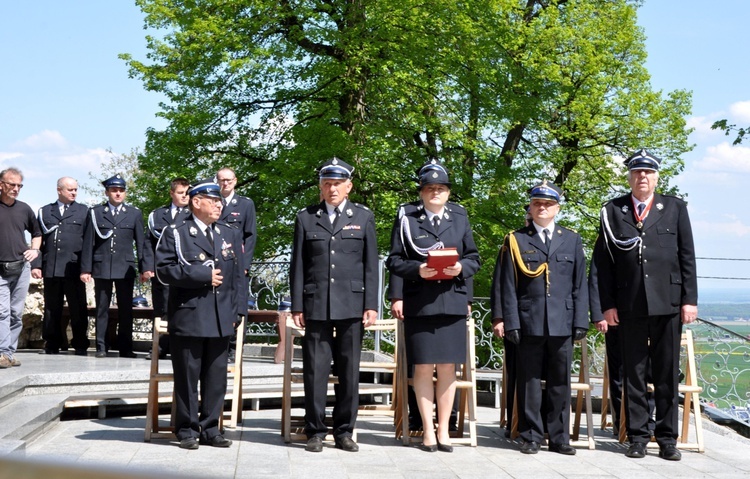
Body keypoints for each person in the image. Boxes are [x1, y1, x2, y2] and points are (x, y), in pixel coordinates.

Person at [592, 148, 698, 461]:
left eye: (648, 172)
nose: (642, 177)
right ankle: (637, 436)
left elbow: (686, 256)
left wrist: (689, 300)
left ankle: (667, 439)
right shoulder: (614, 210)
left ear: (656, 177)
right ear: (629, 176)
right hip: (629, 305)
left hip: (668, 303)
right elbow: (602, 264)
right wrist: (606, 305)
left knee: (666, 373)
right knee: (633, 374)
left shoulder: (675, 208)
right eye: (637, 172)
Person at [387, 160, 480, 453]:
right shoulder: (407, 217)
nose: (435, 192)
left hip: (452, 301)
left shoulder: (460, 217)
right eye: (429, 188)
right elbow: (394, 260)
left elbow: (474, 258)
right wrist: (417, 271)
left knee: (449, 368)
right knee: (424, 368)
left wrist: (460, 268)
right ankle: (427, 430)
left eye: (440, 188)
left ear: (448, 193)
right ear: (422, 193)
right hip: (421, 303)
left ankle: (444, 430)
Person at [290, 157, 378, 453]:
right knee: (314, 370)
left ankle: (344, 431)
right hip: (315, 305)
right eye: (327, 184)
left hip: (352, 305)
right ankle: (315, 430)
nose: (332, 189)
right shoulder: (305, 217)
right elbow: (298, 266)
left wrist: (371, 304)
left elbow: (370, 266)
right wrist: (297, 305)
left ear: (349, 186)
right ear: (320, 187)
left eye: (338, 184)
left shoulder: (363, 217)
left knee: (349, 370)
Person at [499, 180, 588, 456]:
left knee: (560, 381)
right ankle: (530, 435)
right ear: (530, 207)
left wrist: (580, 321)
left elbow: (579, 284)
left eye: (548, 204)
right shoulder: (516, 239)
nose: (542, 208)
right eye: (537, 203)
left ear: (557, 209)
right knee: (529, 381)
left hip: (562, 321)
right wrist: (510, 321)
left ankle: (560, 437)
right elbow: (506, 285)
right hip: (529, 321)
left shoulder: (571, 239)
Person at [155, 178, 243, 449]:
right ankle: (186, 429)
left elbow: (238, 277)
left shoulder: (228, 233)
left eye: (220, 200)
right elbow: (163, 271)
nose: (219, 204)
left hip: (220, 318)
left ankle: (210, 429)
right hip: (190, 317)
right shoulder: (176, 232)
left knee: (216, 379)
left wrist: (238, 310)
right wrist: (201, 274)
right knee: (187, 378)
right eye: (213, 200)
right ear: (196, 202)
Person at [80, 174, 153, 358]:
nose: (118, 194)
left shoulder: (134, 213)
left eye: (121, 191)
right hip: (102, 266)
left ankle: (126, 348)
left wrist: (145, 268)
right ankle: (101, 347)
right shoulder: (95, 213)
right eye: (114, 190)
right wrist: (86, 268)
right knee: (102, 308)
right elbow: (88, 242)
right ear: (107, 192)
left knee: (126, 310)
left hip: (125, 267)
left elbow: (141, 242)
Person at [31, 177, 90, 355]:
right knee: (51, 308)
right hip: (52, 266)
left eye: (75, 190)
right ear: (59, 190)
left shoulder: (84, 211)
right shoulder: (45, 211)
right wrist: (36, 265)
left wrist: (86, 268)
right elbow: (38, 238)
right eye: (70, 190)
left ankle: (80, 343)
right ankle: (52, 343)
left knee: (78, 308)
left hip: (73, 268)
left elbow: (88, 243)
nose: (74, 193)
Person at [490, 204, 531, 438]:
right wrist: (499, 317)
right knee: (516, 373)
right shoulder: (512, 242)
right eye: (527, 219)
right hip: (515, 320)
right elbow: (500, 283)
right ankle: (513, 422)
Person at [0, 167, 42, 369]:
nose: (16, 189)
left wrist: (34, 250)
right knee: (2, 312)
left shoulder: (24, 209)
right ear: (1, 184)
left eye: (19, 185)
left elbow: (37, 233)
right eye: (12, 184)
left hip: (21, 267)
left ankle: (8, 353)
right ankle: (3, 353)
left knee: (16, 313)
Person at [145, 177, 191, 359]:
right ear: (172, 193)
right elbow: (148, 243)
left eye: (187, 193)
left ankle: (181, 347)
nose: (184, 197)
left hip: (184, 273)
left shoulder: (192, 214)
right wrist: (148, 267)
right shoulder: (157, 215)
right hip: (163, 272)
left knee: (183, 309)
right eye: (180, 193)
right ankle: (160, 347)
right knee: (161, 309)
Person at [216, 167, 256, 360]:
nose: (225, 183)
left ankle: (235, 346)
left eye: (229, 180)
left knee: (238, 304)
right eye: (222, 180)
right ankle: (220, 344)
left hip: (237, 265)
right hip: (218, 264)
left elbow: (250, 236)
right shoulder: (213, 202)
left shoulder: (245, 204)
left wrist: (245, 264)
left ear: (235, 181)